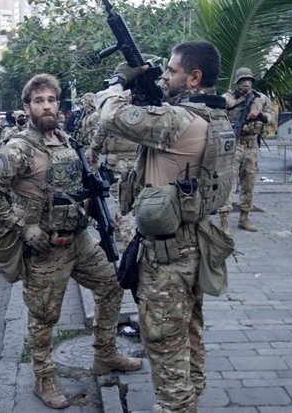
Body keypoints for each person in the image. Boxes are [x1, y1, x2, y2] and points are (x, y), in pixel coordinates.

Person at [0, 74, 141, 409]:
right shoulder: (19, 148)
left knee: (111, 284)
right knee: (44, 316)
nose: (46, 105)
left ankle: (105, 353)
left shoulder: (65, 140)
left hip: (79, 240)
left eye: (51, 99)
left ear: (58, 104)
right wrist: (23, 227)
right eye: (39, 101)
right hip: (46, 248)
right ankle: (44, 378)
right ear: (28, 107)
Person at [98, 41, 234, 412]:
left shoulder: (179, 121)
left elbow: (111, 117)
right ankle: (189, 401)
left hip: (168, 259)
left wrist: (117, 84)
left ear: (194, 77)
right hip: (192, 245)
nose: (165, 76)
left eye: (172, 71)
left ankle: (176, 406)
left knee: (163, 341)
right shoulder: (215, 117)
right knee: (189, 333)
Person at [217, 67, 276, 233]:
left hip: (251, 146)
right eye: (243, 80)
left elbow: (272, 118)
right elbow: (218, 119)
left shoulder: (262, 99)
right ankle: (224, 221)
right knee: (227, 183)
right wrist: (235, 126)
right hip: (233, 145)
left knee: (248, 183)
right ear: (237, 82)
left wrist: (261, 116)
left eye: (249, 80)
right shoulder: (227, 99)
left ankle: (244, 217)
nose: (246, 83)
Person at [87, 122, 139, 248]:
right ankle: (119, 232)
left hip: (118, 164)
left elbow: (99, 137)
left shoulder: (112, 113)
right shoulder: (140, 110)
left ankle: (129, 244)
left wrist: (93, 151)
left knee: (122, 202)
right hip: (138, 162)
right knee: (127, 198)